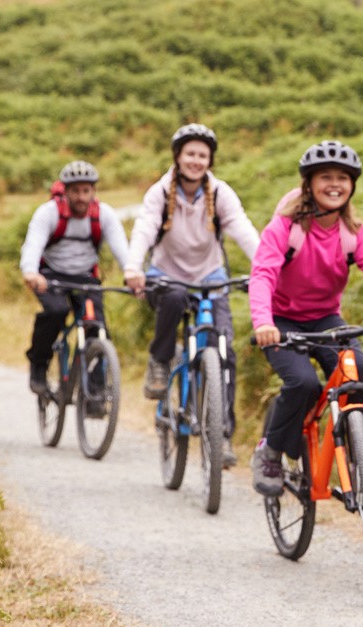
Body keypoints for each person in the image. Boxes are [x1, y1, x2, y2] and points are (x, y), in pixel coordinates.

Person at [249, 139, 363, 496]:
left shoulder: (352, 232)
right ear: (309, 184)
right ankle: (270, 451)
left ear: (352, 185)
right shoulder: (285, 228)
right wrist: (264, 323)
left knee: (361, 374)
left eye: (343, 178)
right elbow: (263, 274)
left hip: (326, 318)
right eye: (325, 177)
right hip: (281, 322)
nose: (335, 184)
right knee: (303, 384)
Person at [124, 123, 259, 468]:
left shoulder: (220, 193)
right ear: (178, 157)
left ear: (210, 160)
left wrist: (264, 266)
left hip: (210, 275)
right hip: (166, 274)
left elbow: (242, 228)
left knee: (224, 349)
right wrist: (132, 267)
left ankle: (222, 435)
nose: (196, 161)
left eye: (203, 155)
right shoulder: (160, 192)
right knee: (172, 298)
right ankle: (160, 360)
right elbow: (144, 228)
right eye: (190, 154)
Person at [20, 160, 131, 394]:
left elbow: (123, 251)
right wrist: (31, 272)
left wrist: (133, 274)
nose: (81, 197)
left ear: (93, 191)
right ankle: (39, 365)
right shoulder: (48, 213)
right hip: (51, 276)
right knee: (56, 312)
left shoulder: (104, 215)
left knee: (97, 327)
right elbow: (33, 245)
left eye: (86, 190)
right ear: (65, 191)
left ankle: (96, 390)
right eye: (75, 191)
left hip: (85, 278)